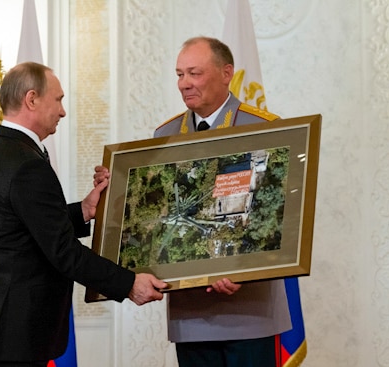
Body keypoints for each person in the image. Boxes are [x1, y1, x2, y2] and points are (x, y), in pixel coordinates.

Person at [94, 36, 292, 367]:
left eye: (194, 73)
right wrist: (117, 190)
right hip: (192, 316)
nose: (184, 84)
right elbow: (153, 218)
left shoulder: (264, 128)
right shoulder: (164, 136)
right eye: (179, 74)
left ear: (226, 73)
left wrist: (242, 271)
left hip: (251, 312)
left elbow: (278, 215)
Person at [0, 62, 167, 367]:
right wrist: (129, 284)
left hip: (3, 324)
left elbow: (26, 229)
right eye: (58, 99)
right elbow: (63, 252)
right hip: (18, 329)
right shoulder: (26, 163)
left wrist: (84, 210)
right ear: (32, 99)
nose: (62, 111)